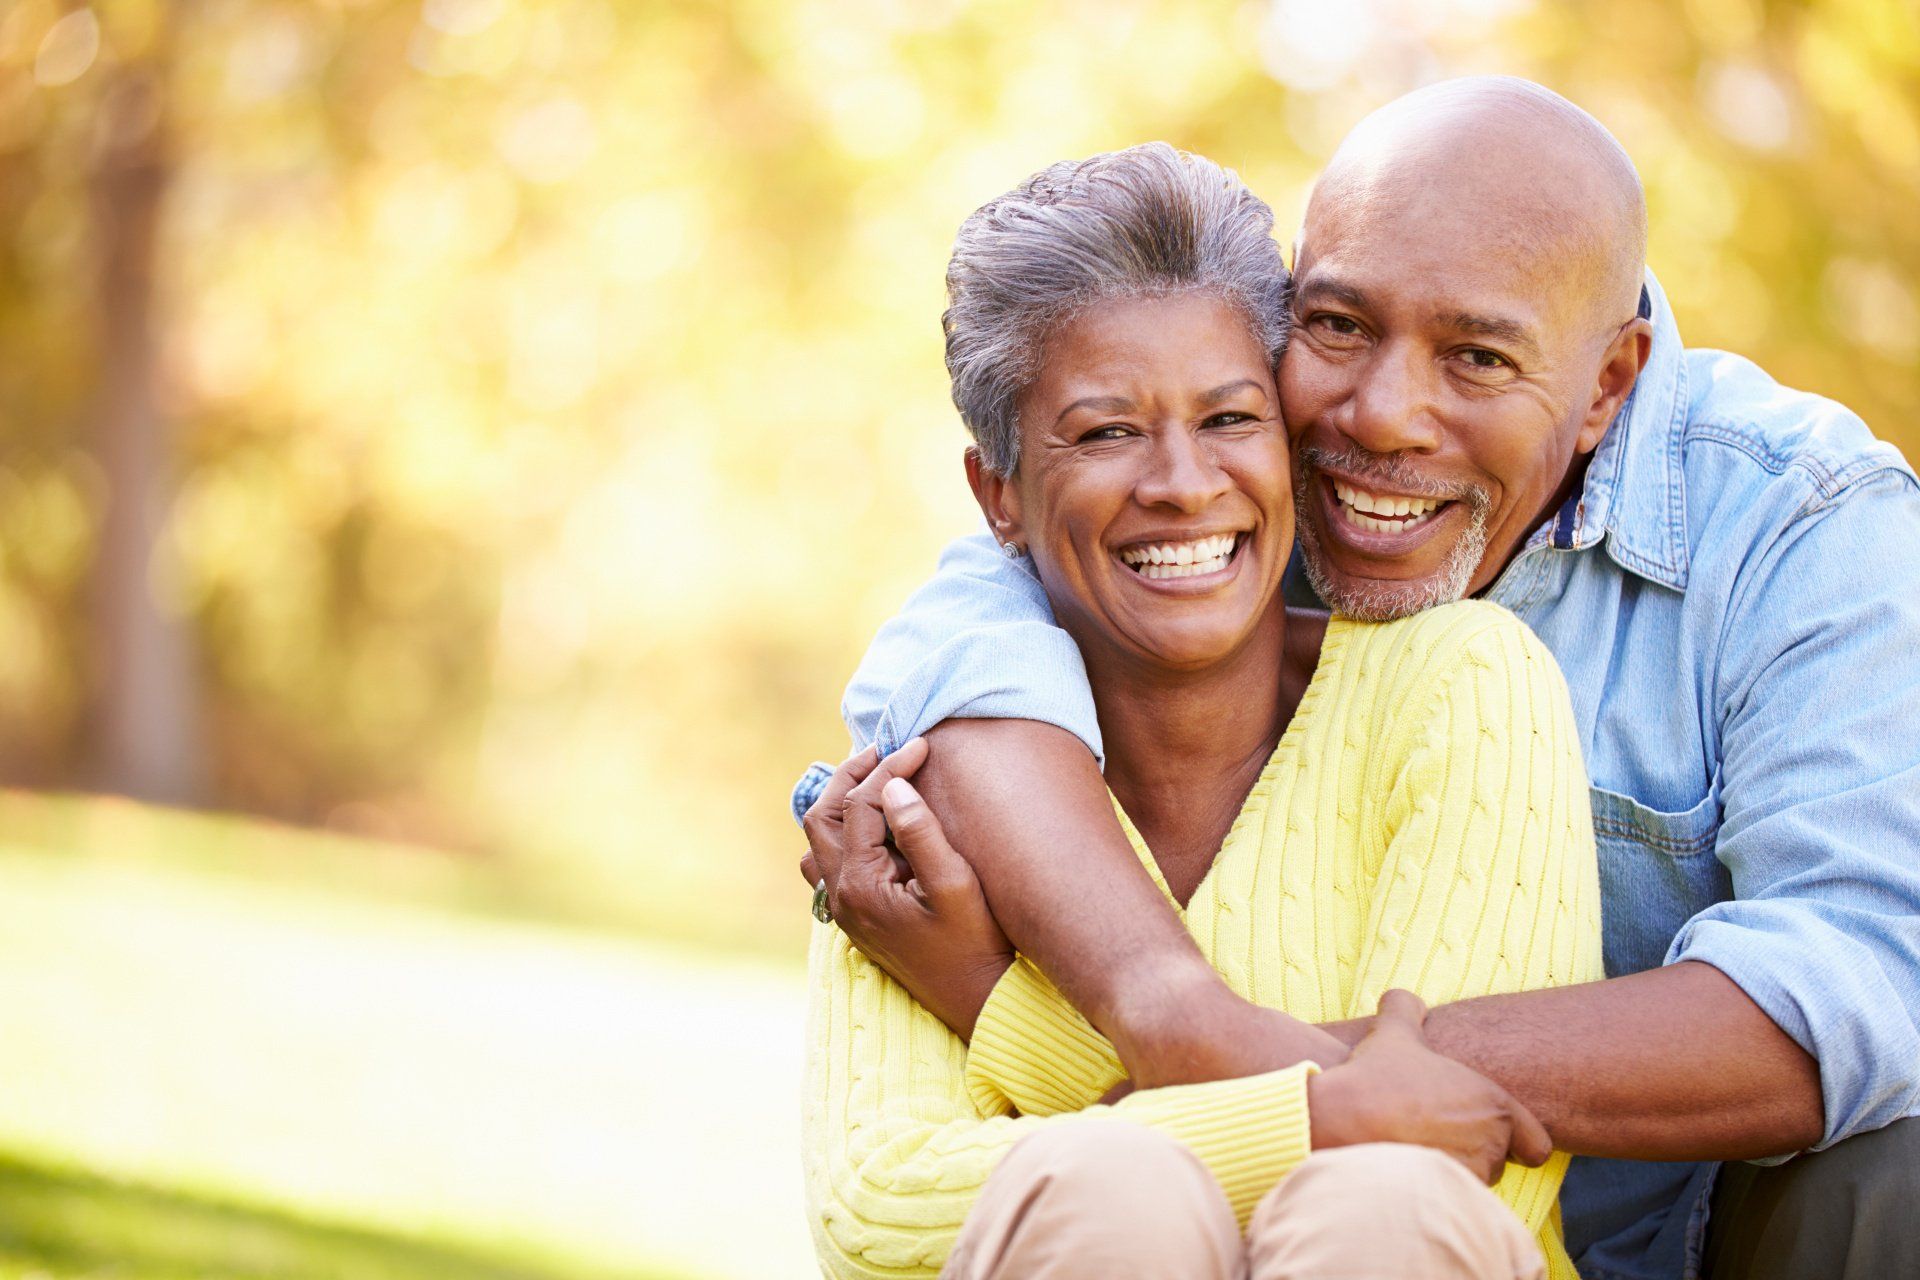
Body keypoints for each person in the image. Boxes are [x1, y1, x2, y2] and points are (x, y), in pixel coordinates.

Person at [797, 78, 1920, 1280]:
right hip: (1207, 1223)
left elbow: (1857, 978)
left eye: (1478, 356)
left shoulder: (1800, 526)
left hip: (1671, 1226)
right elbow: (980, 615)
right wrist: (1239, 1064)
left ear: (1608, 385)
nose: (1381, 416)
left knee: (1893, 1175)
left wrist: (1049, 1012)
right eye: (1337, 326)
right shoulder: (1182, 518)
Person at [799, 142, 1604, 1280]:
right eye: (1107, 431)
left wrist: (992, 1002)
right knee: (1108, 1195)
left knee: (1374, 1208)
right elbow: (880, 1207)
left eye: (1229, 418)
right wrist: (1322, 1117)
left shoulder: (1460, 684)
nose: (1182, 481)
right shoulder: (922, 784)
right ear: (999, 495)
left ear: (1286, 436)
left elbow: (1466, 1161)